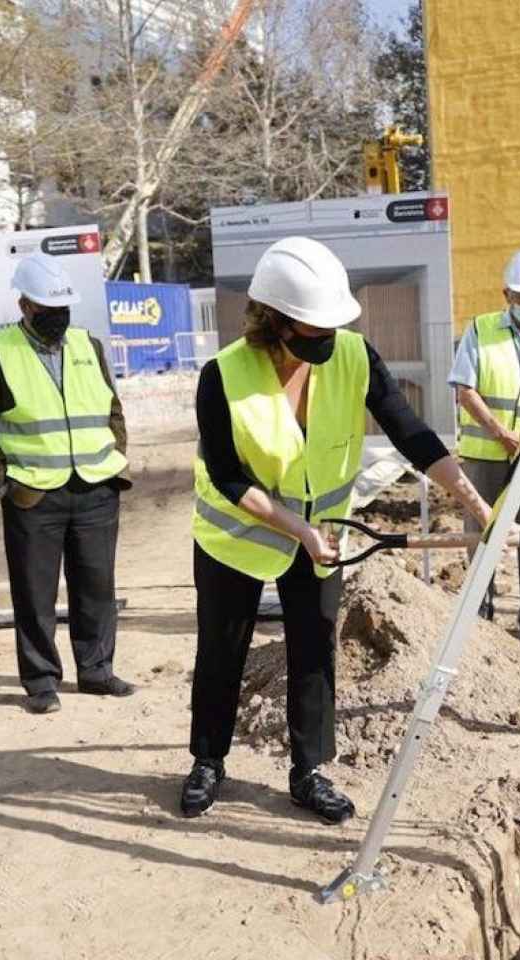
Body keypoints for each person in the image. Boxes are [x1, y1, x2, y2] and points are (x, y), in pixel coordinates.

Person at [181, 236, 493, 824]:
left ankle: (309, 771)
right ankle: (207, 762)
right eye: (314, 329)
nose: (327, 339)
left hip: (320, 534)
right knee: (222, 651)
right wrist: (295, 529)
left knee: (315, 650)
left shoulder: (353, 355)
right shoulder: (221, 377)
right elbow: (224, 476)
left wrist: (476, 502)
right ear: (275, 319)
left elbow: (410, 431)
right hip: (235, 538)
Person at [0, 253, 134, 714]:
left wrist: (115, 455)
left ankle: (97, 670)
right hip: (33, 493)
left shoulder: (87, 345)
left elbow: (111, 408)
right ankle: (41, 680)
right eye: (47, 309)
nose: (58, 318)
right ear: (25, 306)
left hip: (96, 486)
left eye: (63, 308)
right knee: (35, 591)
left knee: (97, 584)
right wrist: (1, 486)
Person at [447, 247, 520, 649]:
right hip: (485, 454)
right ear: (506, 295)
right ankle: (479, 611)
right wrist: (500, 432)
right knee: (479, 533)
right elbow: (465, 390)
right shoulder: (481, 331)